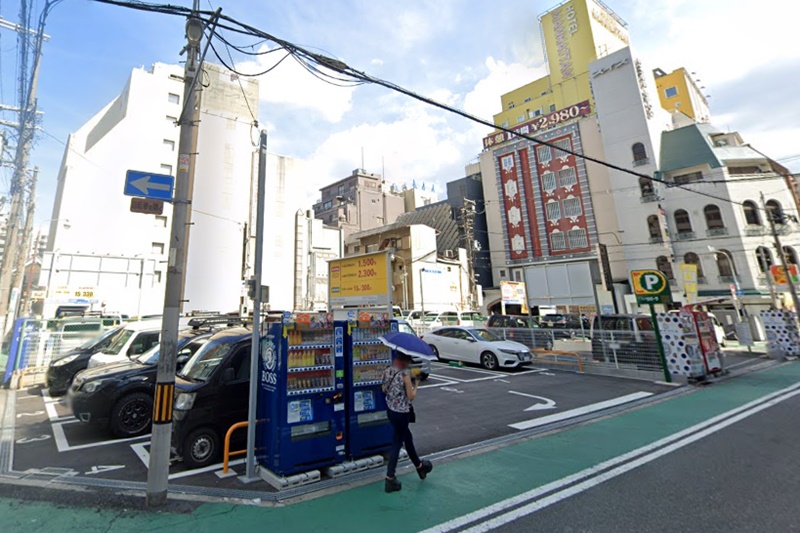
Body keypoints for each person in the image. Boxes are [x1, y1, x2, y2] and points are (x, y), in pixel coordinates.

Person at [381, 351, 432, 493]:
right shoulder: (405, 374)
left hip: (390, 411)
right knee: (397, 443)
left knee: (407, 438)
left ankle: (420, 467)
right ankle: (390, 478)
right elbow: (411, 396)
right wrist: (416, 384)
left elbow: (383, 389)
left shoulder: (387, 370)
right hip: (402, 413)